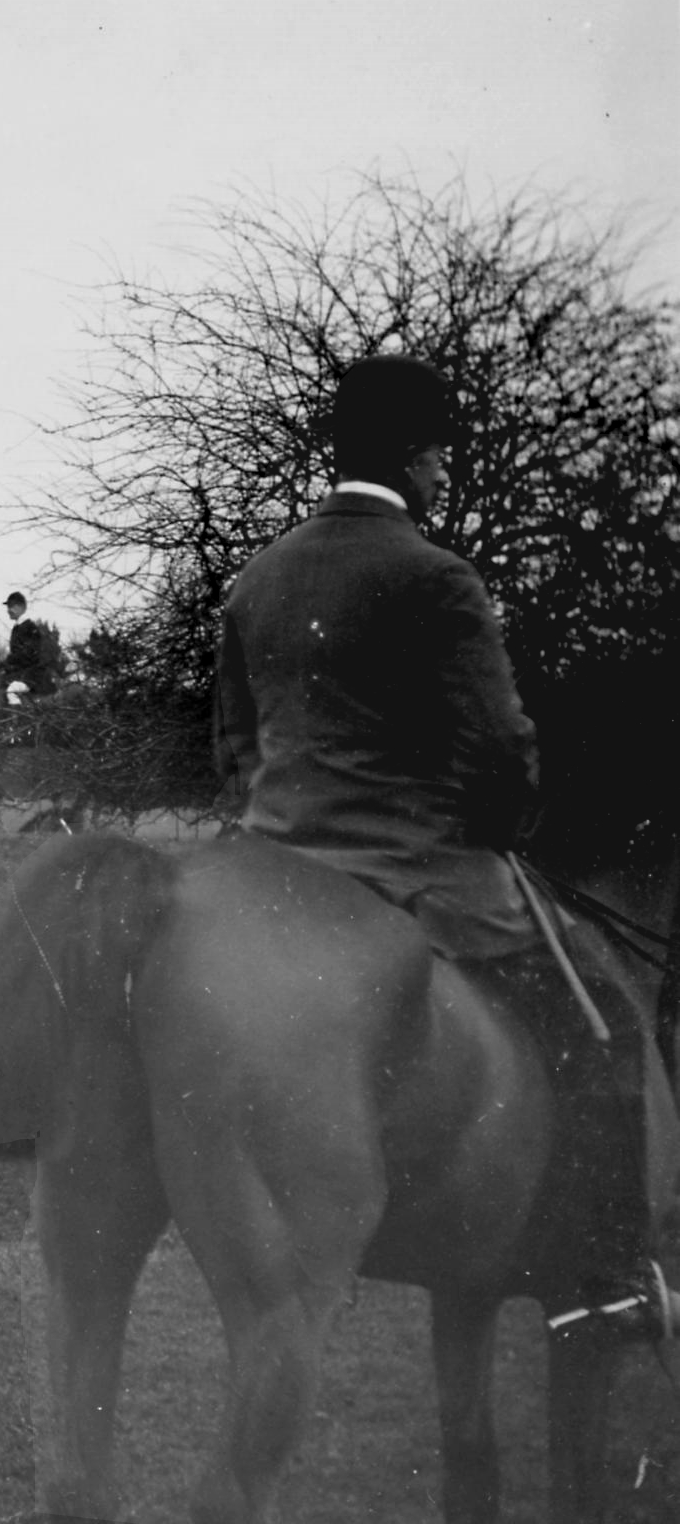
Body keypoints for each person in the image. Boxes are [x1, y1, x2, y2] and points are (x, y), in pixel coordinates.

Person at [215, 353, 675, 1336]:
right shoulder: (437, 578)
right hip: (423, 875)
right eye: (442, 458)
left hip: (280, 878)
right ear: (416, 455)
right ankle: (609, 1281)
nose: (446, 476)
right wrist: (503, 832)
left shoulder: (258, 579)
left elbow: (234, 749)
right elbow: (502, 745)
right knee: (607, 1022)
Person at [0, 592, 59, 699]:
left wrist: (9, 661)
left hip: (31, 676)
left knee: (11, 691)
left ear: (21, 607)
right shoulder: (16, 628)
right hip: (18, 673)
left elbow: (28, 654)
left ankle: (17, 715)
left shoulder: (31, 628)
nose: (8, 610)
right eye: (8, 607)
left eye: (11, 606)